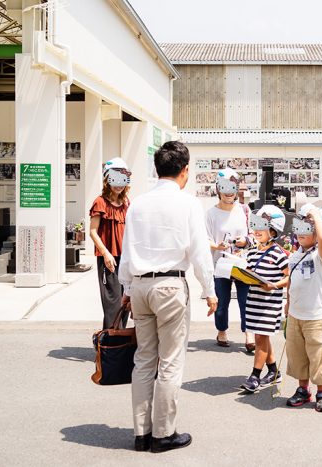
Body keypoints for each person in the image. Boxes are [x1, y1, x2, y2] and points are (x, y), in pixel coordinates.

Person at [118, 141, 218, 453]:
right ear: (185, 171)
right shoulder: (188, 204)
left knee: (145, 359)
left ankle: (141, 434)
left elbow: (126, 252)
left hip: (140, 287)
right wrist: (210, 291)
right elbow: (200, 254)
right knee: (170, 361)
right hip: (171, 286)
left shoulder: (137, 204)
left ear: (156, 169)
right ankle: (163, 434)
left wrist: (126, 289)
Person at [284, 204, 322, 412]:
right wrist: (287, 304)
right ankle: (303, 390)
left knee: (318, 356)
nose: (303, 233)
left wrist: (315, 215)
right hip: (296, 315)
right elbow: (290, 281)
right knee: (298, 356)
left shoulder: (321, 255)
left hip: (316, 316)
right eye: (301, 227)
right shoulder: (295, 255)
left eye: (308, 229)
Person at [239, 205, 290, 393]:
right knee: (263, 337)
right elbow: (250, 273)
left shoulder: (279, 254)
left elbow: (289, 277)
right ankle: (274, 371)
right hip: (253, 302)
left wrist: (274, 285)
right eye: (255, 226)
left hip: (270, 304)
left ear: (273, 230)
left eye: (262, 226)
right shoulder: (252, 253)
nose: (257, 231)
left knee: (260, 337)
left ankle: (255, 376)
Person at [205, 168, 254, 351]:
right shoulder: (211, 214)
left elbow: (253, 234)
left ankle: (248, 332)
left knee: (246, 299)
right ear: (218, 188)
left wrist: (245, 241)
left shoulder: (244, 210)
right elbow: (205, 238)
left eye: (232, 187)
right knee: (222, 301)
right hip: (220, 264)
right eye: (224, 187)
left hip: (242, 262)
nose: (228, 192)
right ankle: (222, 330)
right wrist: (217, 246)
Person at [89, 157, 131, 329]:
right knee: (112, 304)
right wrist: (105, 253)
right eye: (115, 179)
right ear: (107, 178)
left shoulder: (126, 203)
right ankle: (110, 347)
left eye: (123, 179)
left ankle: (119, 343)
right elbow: (93, 232)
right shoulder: (100, 201)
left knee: (125, 302)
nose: (119, 185)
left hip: (125, 258)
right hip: (109, 259)